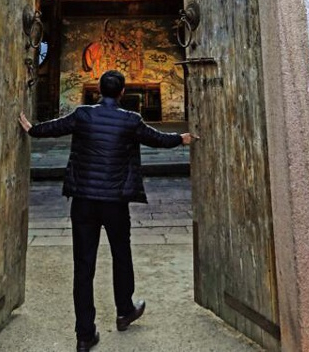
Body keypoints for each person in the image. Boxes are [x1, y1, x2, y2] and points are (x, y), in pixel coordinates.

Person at [19, 69, 197, 352]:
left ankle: (84, 335)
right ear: (122, 92)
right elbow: (156, 139)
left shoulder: (83, 115)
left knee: (83, 266)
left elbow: (55, 127)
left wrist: (31, 129)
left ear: (99, 91)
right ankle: (124, 310)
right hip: (115, 201)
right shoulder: (131, 120)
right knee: (121, 254)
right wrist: (180, 138)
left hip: (84, 201)